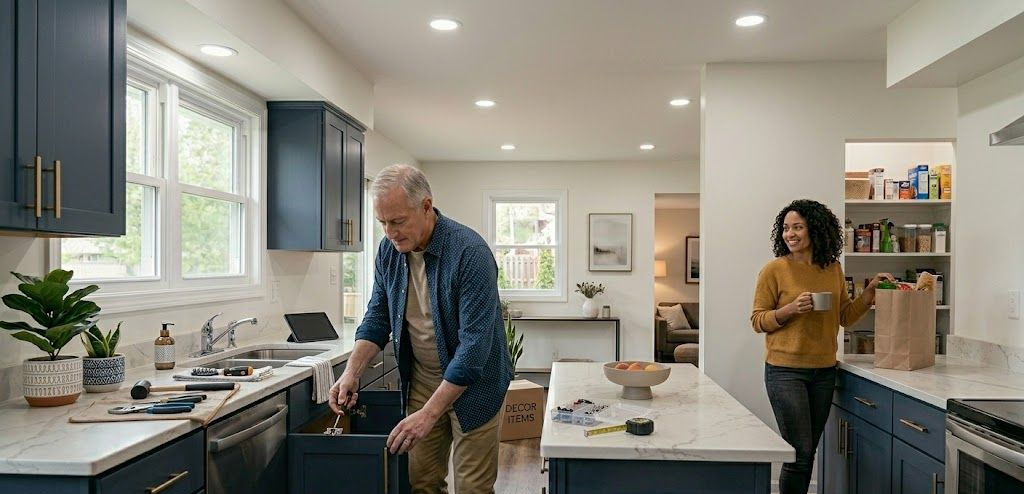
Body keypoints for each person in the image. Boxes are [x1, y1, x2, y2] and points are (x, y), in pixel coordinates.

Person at [329, 164, 512, 494]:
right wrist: (350, 373)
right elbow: (377, 318)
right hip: (424, 380)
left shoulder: (470, 253)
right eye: (382, 222)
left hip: (477, 384)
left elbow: (474, 349)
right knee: (422, 483)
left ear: (426, 206)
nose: (390, 232)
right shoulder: (389, 251)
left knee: (473, 487)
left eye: (397, 221)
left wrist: (429, 415)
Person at [750, 199, 893, 494]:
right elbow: (757, 320)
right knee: (799, 453)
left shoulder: (832, 269)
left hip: (825, 371)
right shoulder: (774, 270)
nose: (790, 234)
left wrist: (869, 293)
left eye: (797, 227)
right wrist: (789, 310)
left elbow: (844, 317)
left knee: (808, 452)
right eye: (786, 228)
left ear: (815, 229)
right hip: (785, 372)